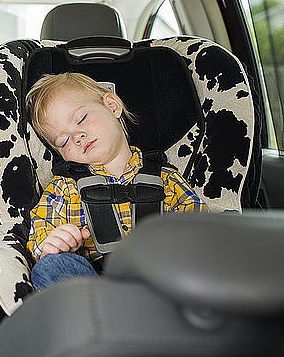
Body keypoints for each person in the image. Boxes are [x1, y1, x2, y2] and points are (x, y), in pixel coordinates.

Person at [25, 72, 207, 291]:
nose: (77, 136)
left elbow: (199, 223)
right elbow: (40, 229)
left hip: (162, 282)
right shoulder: (64, 187)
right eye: (63, 141)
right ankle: (106, 315)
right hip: (96, 288)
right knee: (51, 266)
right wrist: (53, 243)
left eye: (81, 119)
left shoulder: (165, 178)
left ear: (112, 105)